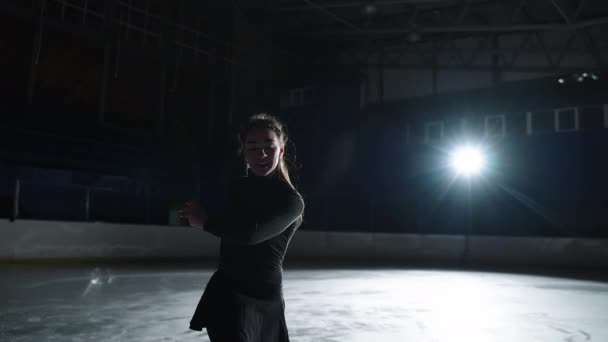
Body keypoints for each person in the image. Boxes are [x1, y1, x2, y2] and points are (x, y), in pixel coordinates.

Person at [180, 113, 305, 341]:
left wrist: (206, 222)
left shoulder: (291, 201)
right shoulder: (235, 188)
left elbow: (250, 234)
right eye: (253, 147)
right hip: (228, 295)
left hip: (266, 299)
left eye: (269, 146)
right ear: (244, 153)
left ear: (281, 150)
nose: (262, 154)